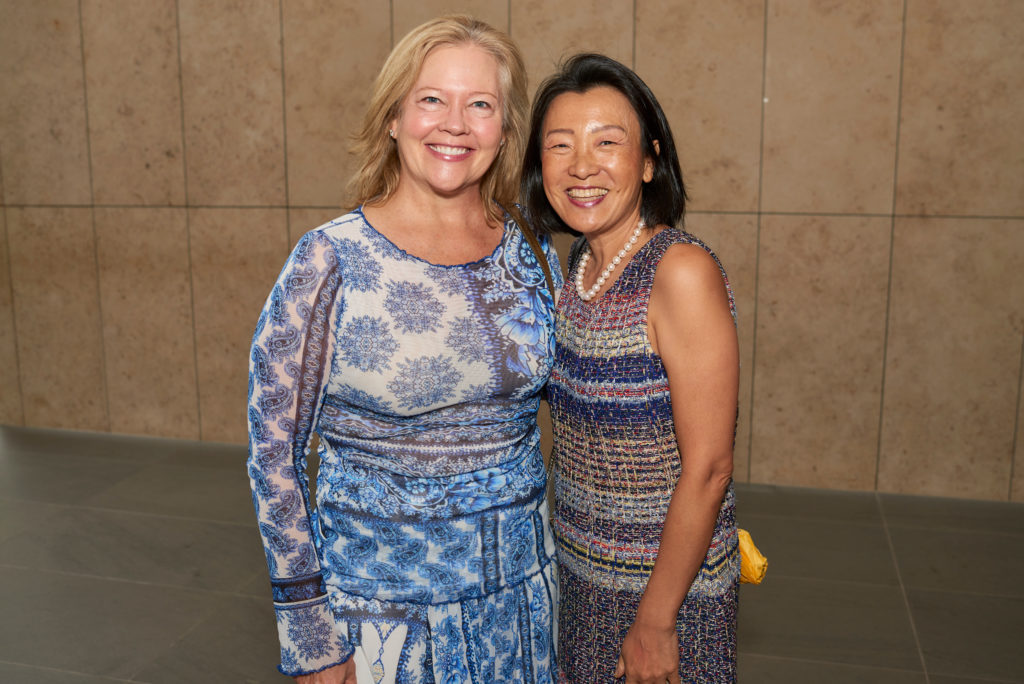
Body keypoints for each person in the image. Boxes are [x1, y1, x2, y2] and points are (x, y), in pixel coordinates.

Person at [246, 16, 561, 683]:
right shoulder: (329, 260)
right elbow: (275, 456)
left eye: (480, 104)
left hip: (522, 610)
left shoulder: (533, 250)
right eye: (431, 100)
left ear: (504, 131)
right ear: (393, 118)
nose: (455, 123)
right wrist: (311, 637)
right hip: (379, 620)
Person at [522, 53, 740, 683]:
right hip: (585, 574)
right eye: (559, 145)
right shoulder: (577, 267)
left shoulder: (680, 271)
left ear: (648, 162)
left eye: (606, 143)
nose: (581, 165)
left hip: (666, 586)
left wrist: (656, 620)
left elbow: (709, 468)